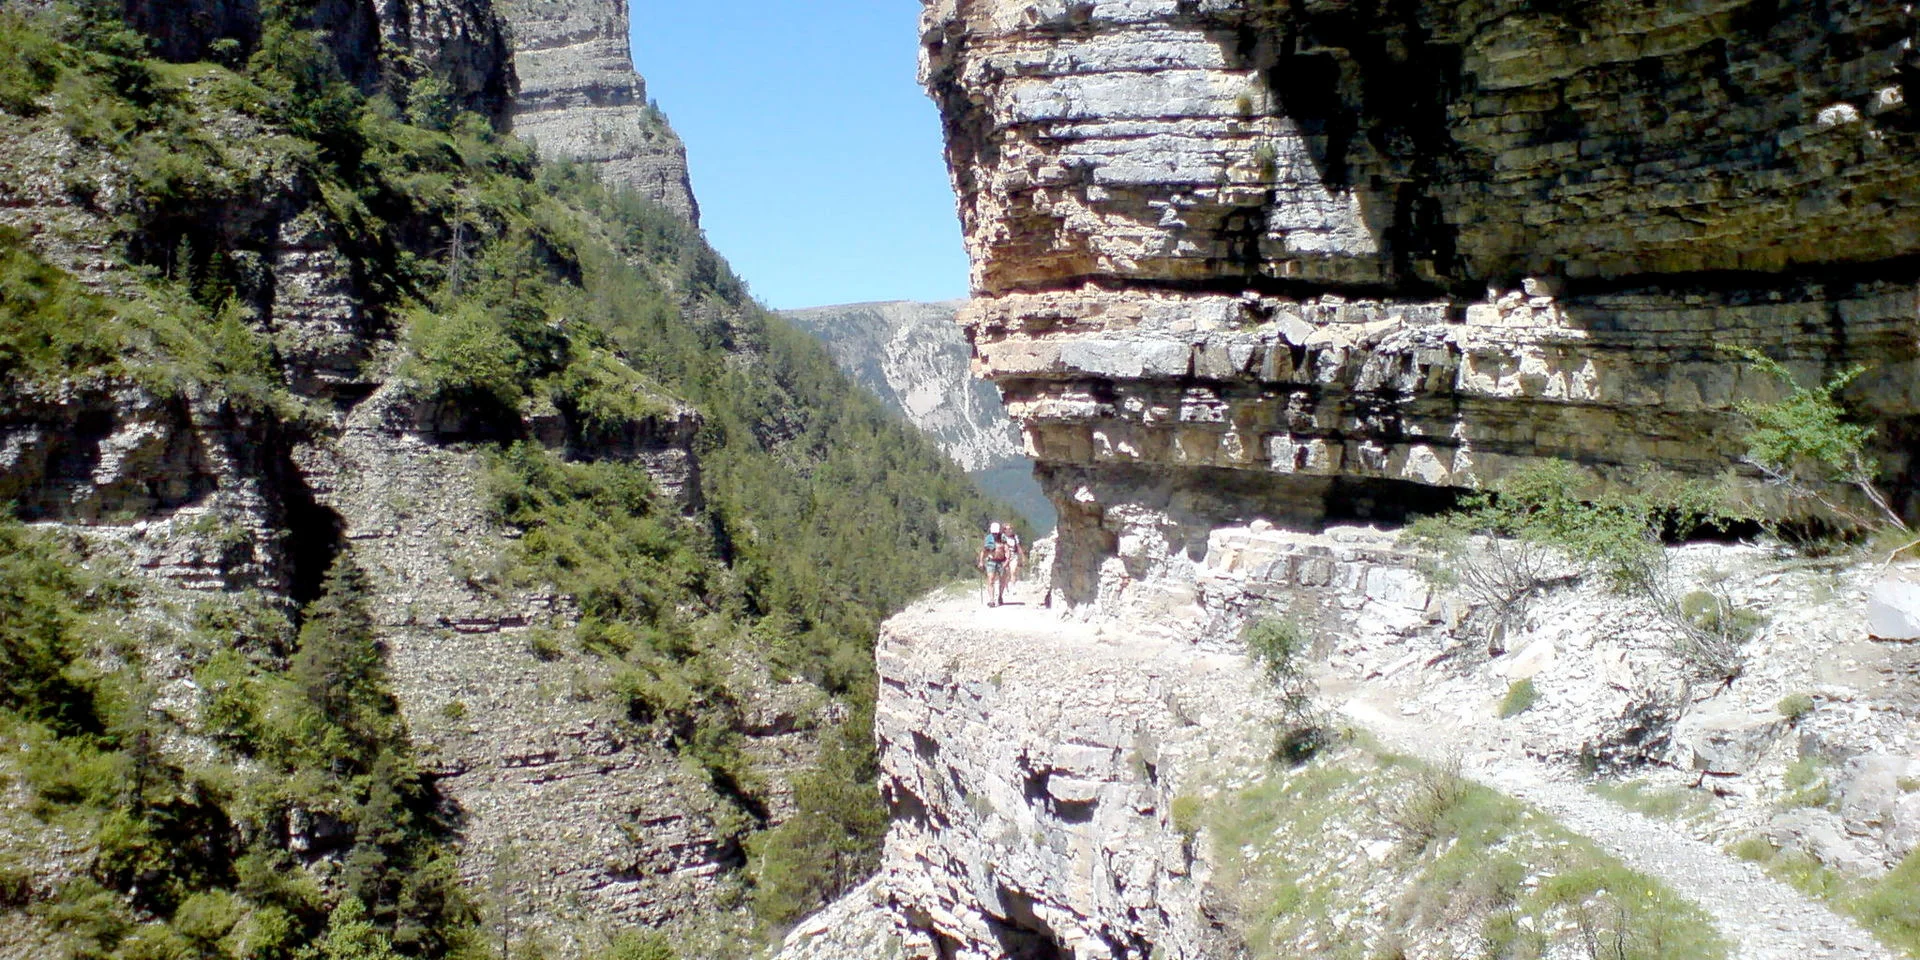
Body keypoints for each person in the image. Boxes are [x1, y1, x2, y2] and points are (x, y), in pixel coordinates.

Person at [977, 521, 1010, 606]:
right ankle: (992, 600)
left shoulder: (1003, 538)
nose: (995, 535)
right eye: (994, 533)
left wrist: (1007, 561)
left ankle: (1000, 596)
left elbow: (1007, 550)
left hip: (1002, 561)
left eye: (996, 533)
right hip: (991, 561)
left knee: (1002, 581)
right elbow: (984, 551)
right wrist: (981, 561)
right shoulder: (988, 539)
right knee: (990, 580)